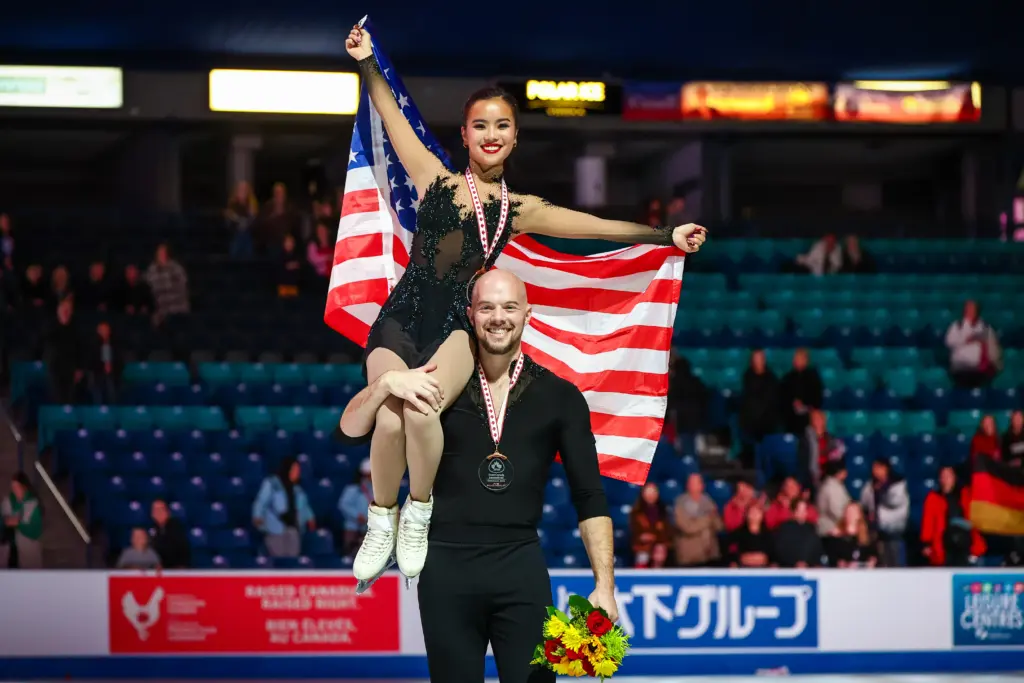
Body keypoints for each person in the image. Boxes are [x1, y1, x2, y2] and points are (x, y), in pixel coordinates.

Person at [343, 22, 708, 583]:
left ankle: (417, 513)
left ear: (514, 138)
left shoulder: (518, 209)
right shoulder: (433, 180)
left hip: (453, 331)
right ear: (464, 134)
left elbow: (596, 227)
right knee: (387, 417)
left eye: (502, 126)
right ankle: (381, 519)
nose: (491, 134)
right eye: (480, 125)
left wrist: (664, 235)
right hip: (401, 318)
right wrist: (367, 61)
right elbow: (391, 118)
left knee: (419, 409)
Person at [337, 269, 617, 682]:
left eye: (509, 307)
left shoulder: (560, 397)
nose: (498, 317)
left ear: (528, 314)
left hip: (520, 568)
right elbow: (347, 434)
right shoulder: (435, 386)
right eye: (486, 307)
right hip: (445, 569)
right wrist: (385, 385)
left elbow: (589, 495)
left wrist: (605, 586)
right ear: (470, 314)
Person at [252, 455, 316, 557]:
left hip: (294, 529)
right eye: (295, 469)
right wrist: (257, 515)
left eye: (298, 470)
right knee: (279, 557)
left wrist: (310, 518)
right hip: (275, 527)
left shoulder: (298, 490)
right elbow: (261, 501)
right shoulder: (272, 483)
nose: (297, 473)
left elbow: (305, 506)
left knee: (292, 558)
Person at [0, 472, 43, 569]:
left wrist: (18, 524)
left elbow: (36, 532)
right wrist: (5, 521)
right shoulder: (8, 501)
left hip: (29, 552)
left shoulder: (33, 505)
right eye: (13, 487)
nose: (14, 491)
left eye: (17, 487)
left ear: (24, 487)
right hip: (10, 550)